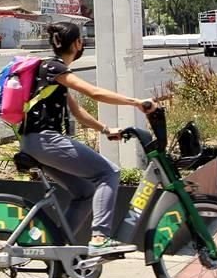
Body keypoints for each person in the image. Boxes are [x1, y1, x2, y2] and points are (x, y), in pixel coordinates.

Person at [19, 21, 155, 256]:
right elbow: (94, 93)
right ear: (77, 43)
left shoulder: (52, 72)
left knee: (85, 193)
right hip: (45, 141)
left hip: (35, 143)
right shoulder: (55, 68)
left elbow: (78, 112)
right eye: (81, 39)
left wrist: (106, 129)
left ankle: (59, 252)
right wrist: (136, 103)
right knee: (108, 173)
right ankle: (100, 237)